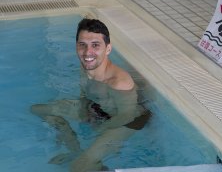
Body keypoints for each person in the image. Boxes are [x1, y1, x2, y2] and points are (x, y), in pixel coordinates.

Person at [31, 18, 151, 172]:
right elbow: (85, 94)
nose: (88, 52)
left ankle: (86, 161)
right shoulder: (86, 66)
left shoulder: (119, 82)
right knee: (38, 109)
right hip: (97, 110)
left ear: (108, 49)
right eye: (83, 45)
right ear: (76, 46)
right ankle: (74, 149)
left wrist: (99, 132)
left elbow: (127, 115)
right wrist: (83, 110)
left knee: (78, 168)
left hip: (127, 121)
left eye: (95, 45)